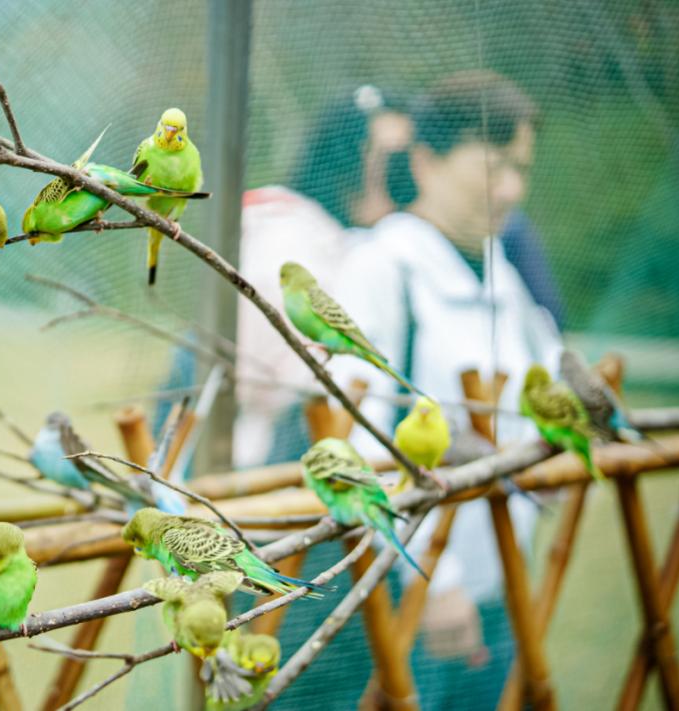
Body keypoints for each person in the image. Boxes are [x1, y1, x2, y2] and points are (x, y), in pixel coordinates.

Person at [324, 69, 561, 709]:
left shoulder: (499, 271)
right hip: (411, 594)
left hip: (500, 586)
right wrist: (435, 577)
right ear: (426, 162)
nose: (511, 189)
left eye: (521, 168)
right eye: (492, 165)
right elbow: (359, 442)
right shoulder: (382, 268)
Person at [234, 85, 413, 467]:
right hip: (278, 459)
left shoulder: (375, 245)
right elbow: (266, 378)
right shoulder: (286, 237)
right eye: (389, 158)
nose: (403, 175)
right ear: (346, 158)